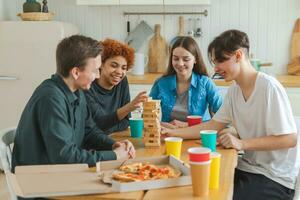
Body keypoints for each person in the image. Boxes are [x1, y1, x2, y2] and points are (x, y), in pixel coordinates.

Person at [163, 30, 298, 200]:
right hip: (247, 168)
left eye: (220, 60)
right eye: (214, 62)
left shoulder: (268, 87)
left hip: (275, 178)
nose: (216, 68)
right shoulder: (234, 90)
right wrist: (172, 133)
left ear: (238, 55)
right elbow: (212, 126)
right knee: (195, 186)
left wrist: (241, 143)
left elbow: (290, 139)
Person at [12, 35, 135, 172]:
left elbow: (89, 131)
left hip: (58, 173)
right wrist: (113, 156)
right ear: (76, 72)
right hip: (39, 180)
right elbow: (64, 157)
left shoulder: (77, 92)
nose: (98, 76)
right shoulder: (50, 98)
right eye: (95, 71)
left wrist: (114, 145)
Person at [150, 36, 223, 128]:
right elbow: (147, 118)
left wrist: (187, 126)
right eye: (176, 59)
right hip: (169, 137)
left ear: (195, 59)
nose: (180, 64)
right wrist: (161, 124)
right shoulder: (160, 84)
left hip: (197, 138)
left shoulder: (206, 83)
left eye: (186, 59)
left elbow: (225, 117)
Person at [85, 38, 147, 134]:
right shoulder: (88, 85)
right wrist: (129, 107)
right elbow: (98, 124)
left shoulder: (122, 82)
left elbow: (126, 121)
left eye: (124, 68)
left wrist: (107, 127)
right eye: (114, 65)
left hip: (114, 139)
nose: (119, 72)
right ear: (101, 64)